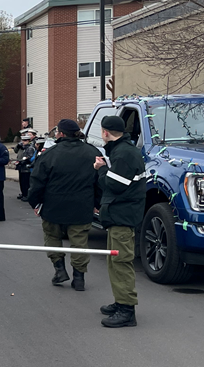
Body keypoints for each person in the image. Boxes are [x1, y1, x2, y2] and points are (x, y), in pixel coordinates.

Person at [27, 119, 101, 291]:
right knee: (79, 242)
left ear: (60, 133)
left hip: (54, 205)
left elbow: (37, 181)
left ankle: (59, 269)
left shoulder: (49, 154)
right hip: (81, 205)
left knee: (52, 237)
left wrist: (34, 202)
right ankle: (79, 277)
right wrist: (96, 203)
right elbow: (99, 180)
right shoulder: (92, 153)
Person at [94, 115, 146, 328]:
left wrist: (101, 169)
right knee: (114, 262)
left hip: (122, 215)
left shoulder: (124, 154)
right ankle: (120, 301)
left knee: (121, 263)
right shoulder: (122, 151)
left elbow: (115, 185)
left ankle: (127, 310)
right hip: (118, 215)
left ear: (105, 132)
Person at [16, 134, 36, 201]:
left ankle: (27, 195)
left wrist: (25, 161)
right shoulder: (23, 147)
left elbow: (30, 158)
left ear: (29, 141)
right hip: (22, 167)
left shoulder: (30, 148)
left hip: (27, 168)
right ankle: (24, 193)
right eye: (23, 140)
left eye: (25, 140)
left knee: (26, 182)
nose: (23, 142)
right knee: (22, 182)